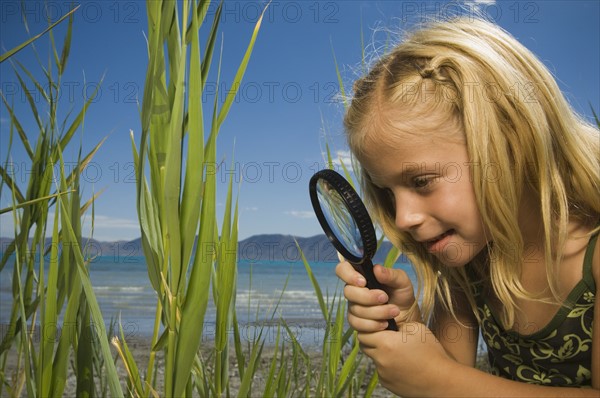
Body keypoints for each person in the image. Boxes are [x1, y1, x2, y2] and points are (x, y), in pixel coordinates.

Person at [335, 16, 599, 397]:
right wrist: (409, 328)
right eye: (389, 194)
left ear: (511, 141)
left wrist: (437, 381)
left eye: (421, 182)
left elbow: (447, 382)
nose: (403, 218)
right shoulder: (469, 262)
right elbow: (448, 372)